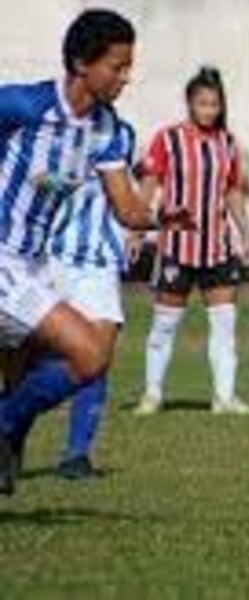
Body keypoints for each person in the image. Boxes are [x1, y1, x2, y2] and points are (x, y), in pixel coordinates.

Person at [0, 9, 191, 495]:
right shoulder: (24, 106)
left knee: (86, 359)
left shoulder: (107, 129)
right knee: (84, 353)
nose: (126, 77)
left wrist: (164, 218)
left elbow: (126, 208)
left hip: (34, 265)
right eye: (117, 66)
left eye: (129, 66)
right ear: (83, 63)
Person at [132, 66, 249, 416]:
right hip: (177, 247)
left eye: (214, 104)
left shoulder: (227, 143)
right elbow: (149, 185)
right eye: (202, 103)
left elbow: (232, 191)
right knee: (164, 324)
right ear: (190, 103)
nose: (208, 110)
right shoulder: (168, 139)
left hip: (217, 248)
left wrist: (245, 235)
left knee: (224, 325)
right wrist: (137, 229)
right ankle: (153, 394)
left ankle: (225, 397)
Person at [46, 120, 138, 479]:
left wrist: (138, 227)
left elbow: (123, 197)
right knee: (27, 358)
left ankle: (77, 455)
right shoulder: (46, 130)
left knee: (97, 356)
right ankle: (11, 440)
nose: (124, 79)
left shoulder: (121, 133)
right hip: (47, 258)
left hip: (98, 262)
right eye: (116, 68)